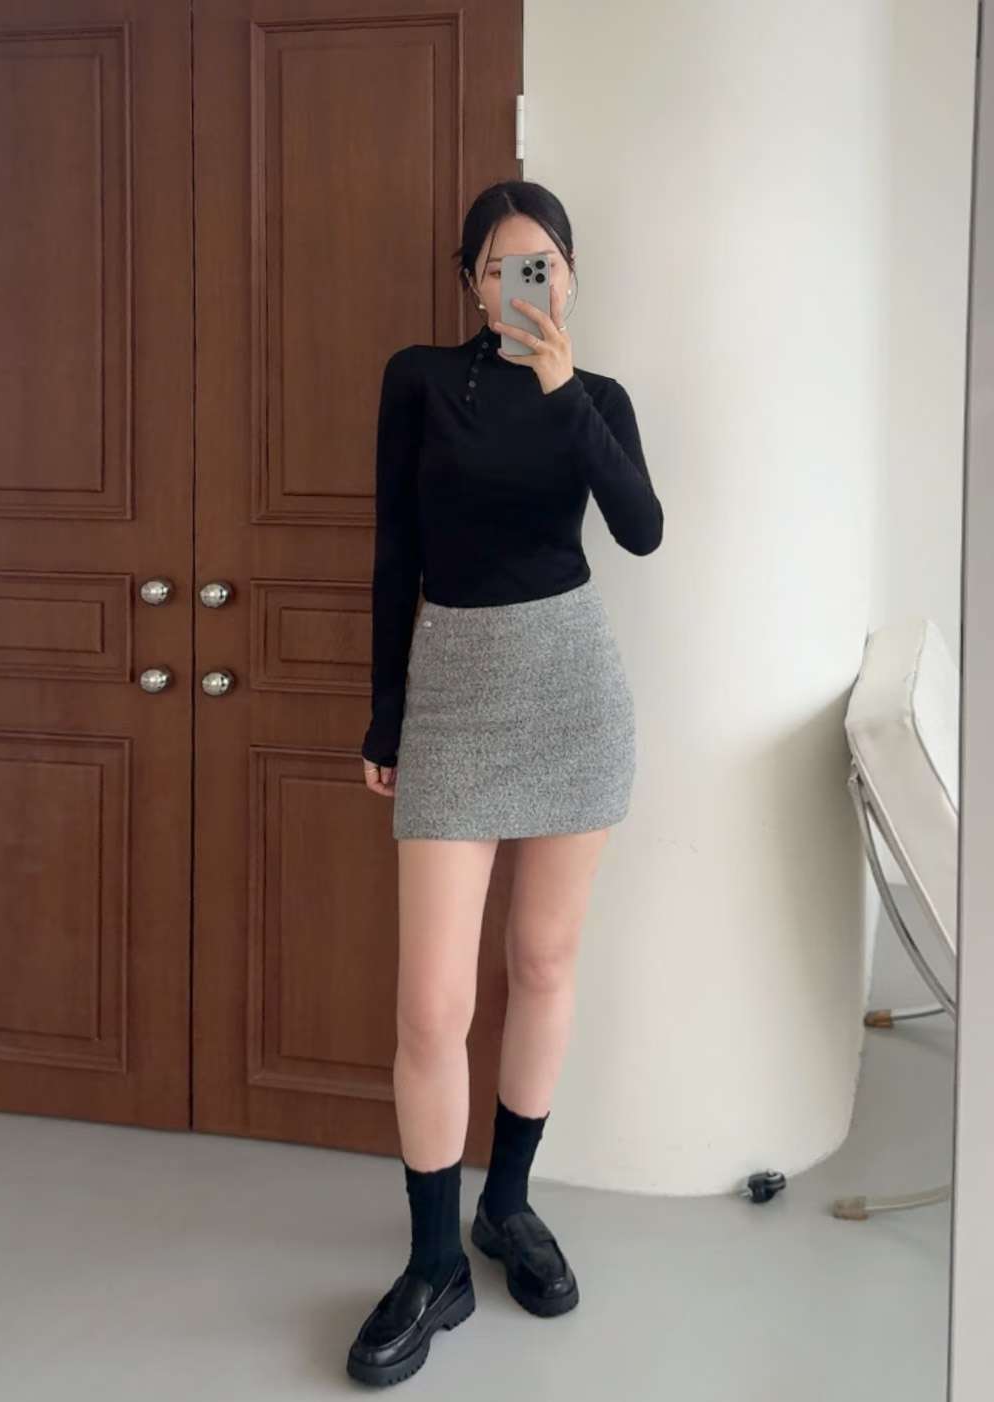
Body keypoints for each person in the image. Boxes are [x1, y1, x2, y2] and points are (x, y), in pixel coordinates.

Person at [346, 180, 663, 1387]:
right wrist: (387, 711)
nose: (521, 282)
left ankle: (508, 1207)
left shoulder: (598, 399)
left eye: (542, 264)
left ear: (569, 277)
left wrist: (563, 390)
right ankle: (433, 1263)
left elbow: (639, 529)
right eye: (499, 266)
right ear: (470, 281)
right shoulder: (418, 379)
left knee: (541, 964)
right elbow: (394, 550)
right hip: (453, 696)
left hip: (573, 693)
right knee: (430, 1007)